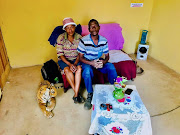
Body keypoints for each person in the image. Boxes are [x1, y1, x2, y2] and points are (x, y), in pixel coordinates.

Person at [77, 19, 117, 110]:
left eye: (95, 25)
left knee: (111, 67)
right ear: (89, 29)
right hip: (87, 61)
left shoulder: (104, 40)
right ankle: (90, 94)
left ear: (99, 27)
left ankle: (115, 89)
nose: (94, 28)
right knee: (87, 71)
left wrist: (103, 62)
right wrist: (91, 63)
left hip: (98, 61)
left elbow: (107, 56)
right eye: (91, 26)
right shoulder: (84, 40)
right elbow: (80, 58)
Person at [56, 17, 84, 104]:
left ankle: (75, 95)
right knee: (68, 70)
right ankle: (77, 93)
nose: (70, 30)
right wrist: (69, 64)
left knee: (79, 69)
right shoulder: (60, 38)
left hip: (76, 59)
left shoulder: (79, 38)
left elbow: (81, 53)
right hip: (64, 60)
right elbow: (60, 54)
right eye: (67, 28)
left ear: (75, 28)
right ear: (65, 29)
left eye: (72, 27)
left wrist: (75, 64)